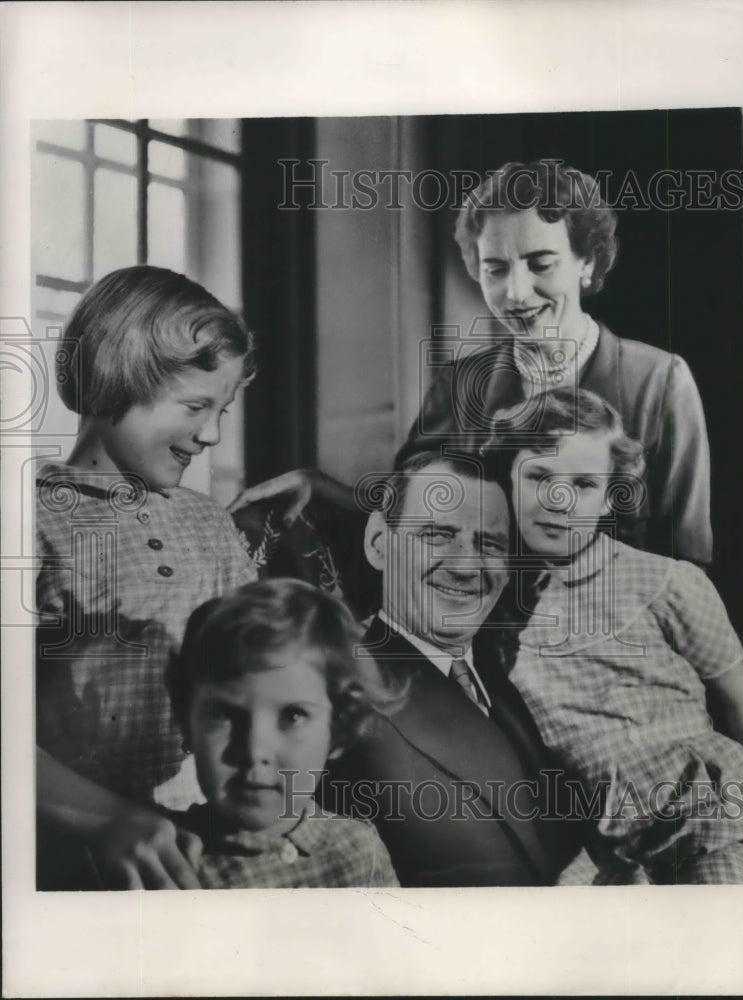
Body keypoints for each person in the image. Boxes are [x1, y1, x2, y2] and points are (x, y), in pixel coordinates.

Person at [36, 265, 261, 889]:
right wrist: (102, 818)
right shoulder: (28, 521)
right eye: (195, 406)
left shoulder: (210, 522)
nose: (212, 434)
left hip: (216, 840)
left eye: (223, 409)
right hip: (81, 860)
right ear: (118, 375)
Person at [395, 159, 712, 568]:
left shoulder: (659, 381)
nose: (517, 293)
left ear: (588, 263)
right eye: (496, 269)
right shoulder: (459, 383)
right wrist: (319, 487)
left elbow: (687, 558)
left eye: (541, 265)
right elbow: (404, 514)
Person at [486, 388, 743, 884]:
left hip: (714, 815)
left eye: (583, 483)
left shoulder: (666, 583)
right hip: (604, 844)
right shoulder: (491, 599)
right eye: (539, 476)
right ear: (507, 480)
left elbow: (741, 704)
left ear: (611, 494)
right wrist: (316, 485)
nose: (557, 500)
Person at [321, 452, 582, 887]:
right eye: (438, 535)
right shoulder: (343, 700)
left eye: (490, 544)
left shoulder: (507, 680)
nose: (466, 566)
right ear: (379, 543)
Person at [162, 578, 400, 889]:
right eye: (224, 715)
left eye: (293, 715)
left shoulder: (357, 849)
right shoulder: (169, 866)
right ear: (186, 720)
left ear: (338, 728)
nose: (254, 750)